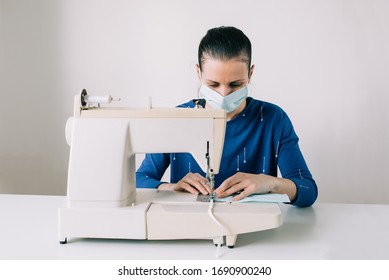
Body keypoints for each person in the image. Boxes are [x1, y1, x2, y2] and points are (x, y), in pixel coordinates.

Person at [136, 26, 317, 207]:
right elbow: (139, 179)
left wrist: (270, 183)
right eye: (213, 84)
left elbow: (308, 190)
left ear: (250, 74)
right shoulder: (176, 120)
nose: (223, 94)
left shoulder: (273, 119)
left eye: (235, 85)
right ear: (198, 72)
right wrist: (170, 188)